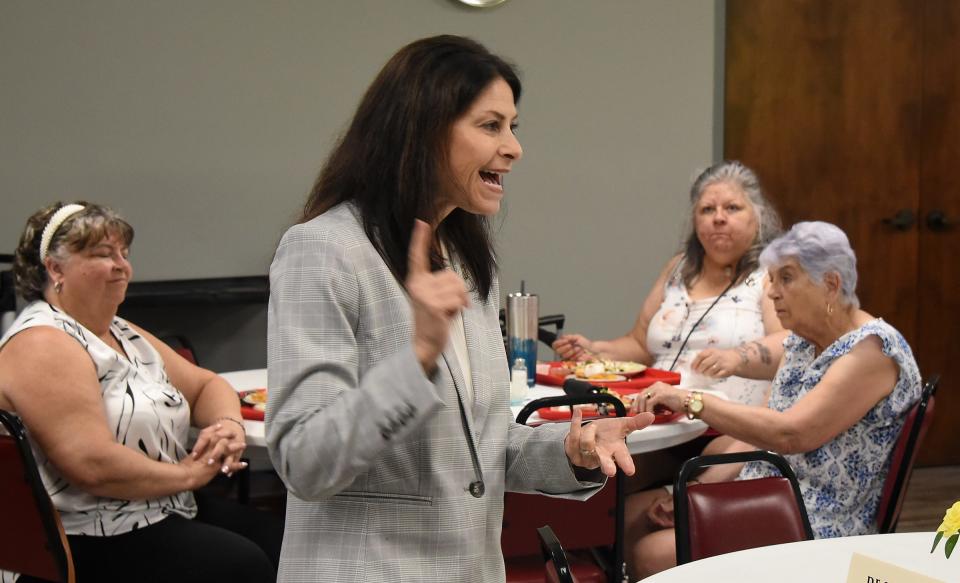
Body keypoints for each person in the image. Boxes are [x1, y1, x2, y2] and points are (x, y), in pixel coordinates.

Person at [266, 35, 654, 583]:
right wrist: (417, 357)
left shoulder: (468, 264)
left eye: (513, 126)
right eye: (491, 125)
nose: (515, 147)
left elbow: (479, 443)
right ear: (421, 130)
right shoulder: (322, 251)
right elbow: (304, 462)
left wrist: (571, 451)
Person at [0, 202, 282, 583]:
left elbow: (206, 385)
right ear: (54, 268)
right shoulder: (42, 342)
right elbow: (91, 465)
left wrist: (227, 423)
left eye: (124, 254)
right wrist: (188, 475)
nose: (122, 266)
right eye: (103, 254)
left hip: (164, 508)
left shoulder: (119, 331)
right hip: (91, 533)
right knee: (243, 565)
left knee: (284, 542)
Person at [628, 221, 922, 579]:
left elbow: (790, 434)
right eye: (772, 279)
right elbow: (762, 431)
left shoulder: (871, 352)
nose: (772, 293)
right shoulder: (803, 341)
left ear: (830, 284)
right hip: (768, 490)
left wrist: (694, 400)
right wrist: (697, 488)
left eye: (786, 278)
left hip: (815, 519)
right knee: (631, 514)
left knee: (650, 553)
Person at [554, 160, 787, 488]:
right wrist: (596, 349)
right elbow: (638, 344)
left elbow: (788, 343)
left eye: (732, 207)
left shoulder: (769, 274)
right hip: (659, 420)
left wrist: (737, 356)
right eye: (708, 209)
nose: (719, 217)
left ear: (758, 217)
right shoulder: (678, 268)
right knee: (605, 482)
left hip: (725, 427)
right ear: (695, 219)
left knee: (640, 488)